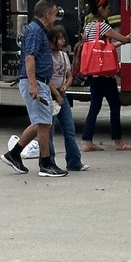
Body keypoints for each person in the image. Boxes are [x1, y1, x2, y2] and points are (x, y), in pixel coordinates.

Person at [0, 0, 68, 178]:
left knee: (40, 123)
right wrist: (33, 85)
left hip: (39, 81)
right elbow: (30, 58)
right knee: (44, 124)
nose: (55, 19)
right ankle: (46, 164)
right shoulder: (35, 32)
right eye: (54, 14)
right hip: (36, 81)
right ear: (46, 14)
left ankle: (13, 154)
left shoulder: (38, 30)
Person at [78, 0, 131, 151]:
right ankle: (118, 141)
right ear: (101, 9)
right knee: (115, 106)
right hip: (105, 75)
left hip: (93, 73)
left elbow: (102, 48)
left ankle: (87, 141)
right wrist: (128, 38)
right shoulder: (102, 26)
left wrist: (120, 42)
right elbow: (122, 39)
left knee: (94, 107)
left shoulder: (88, 26)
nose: (109, 11)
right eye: (107, 8)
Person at [47, 24, 87, 172]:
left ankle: (74, 162)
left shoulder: (64, 56)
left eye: (63, 38)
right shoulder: (46, 56)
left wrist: (66, 86)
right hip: (50, 95)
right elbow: (46, 79)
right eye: (59, 38)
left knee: (69, 130)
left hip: (61, 95)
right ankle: (48, 161)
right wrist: (57, 94)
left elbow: (70, 75)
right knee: (48, 132)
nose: (62, 41)